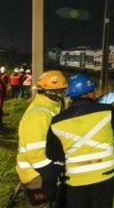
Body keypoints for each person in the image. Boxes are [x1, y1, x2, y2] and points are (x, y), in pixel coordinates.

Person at [46, 73, 114, 208]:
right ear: (91, 93)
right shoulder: (108, 111)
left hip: (75, 180)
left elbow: (52, 153)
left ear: (70, 96)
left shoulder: (57, 121)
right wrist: (111, 147)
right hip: (104, 176)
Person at [16, 70, 68, 207]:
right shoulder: (39, 115)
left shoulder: (49, 109)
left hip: (42, 173)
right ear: (51, 93)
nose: (64, 94)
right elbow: (34, 152)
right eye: (61, 91)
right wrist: (51, 172)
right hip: (37, 175)